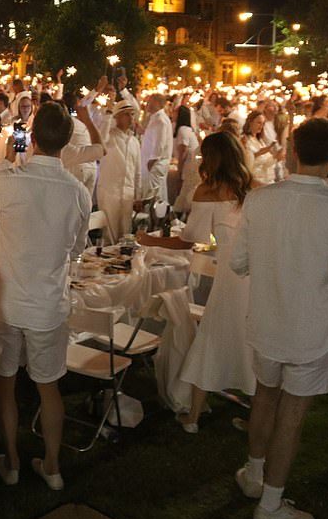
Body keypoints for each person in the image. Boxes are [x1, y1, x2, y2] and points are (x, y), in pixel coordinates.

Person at [229, 118, 328, 519]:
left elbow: (239, 262)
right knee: (292, 413)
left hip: (266, 319)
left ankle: (255, 474)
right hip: (308, 327)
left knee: (265, 396)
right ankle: (269, 503)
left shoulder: (260, 201)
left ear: (293, 150)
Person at [0, 102, 90, 491]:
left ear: (34, 137)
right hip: (47, 302)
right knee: (49, 386)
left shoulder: (11, 178)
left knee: (5, 382)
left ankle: (11, 463)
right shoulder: (78, 191)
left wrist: (9, 158)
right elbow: (78, 249)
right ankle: (53, 467)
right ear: (68, 141)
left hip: (7, 300)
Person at [138, 132, 255, 432]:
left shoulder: (208, 191)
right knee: (252, 341)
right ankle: (256, 413)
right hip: (256, 275)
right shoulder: (254, 187)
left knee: (211, 342)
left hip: (231, 277)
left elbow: (189, 241)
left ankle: (192, 418)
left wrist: (148, 239)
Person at [96, 79, 141, 243]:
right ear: (118, 117)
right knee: (110, 236)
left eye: (132, 114)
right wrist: (108, 110)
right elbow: (101, 139)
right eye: (127, 115)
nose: (131, 118)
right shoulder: (110, 137)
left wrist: (138, 195)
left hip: (127, 195)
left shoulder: (134, 141)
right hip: (110, 193)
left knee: (126, 236)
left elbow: (137, 171)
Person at [140, 93, 173, 203]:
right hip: (152, 165)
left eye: (150, 101)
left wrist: (151, 163)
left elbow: (159, 145)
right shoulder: (155, 118)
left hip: (154, 165)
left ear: (157, 103)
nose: (147, 104)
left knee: (154, 197)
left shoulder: (160, 120)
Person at [173, 105, 201, 213]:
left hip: (188, 166)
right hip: (192, 164)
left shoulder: (182, 130)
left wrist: (179, 171)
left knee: (182, 192)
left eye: (175, 112)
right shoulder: (190, 130)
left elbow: (183, 151)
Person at [242, 111, 279, 186]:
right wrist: (259, 153)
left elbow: (266, 163)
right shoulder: (244, 140)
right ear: (250, 122)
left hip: (267, 179)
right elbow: (245, 163)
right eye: (259, 123)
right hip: (254, 182)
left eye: (263, 124)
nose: (261, 126)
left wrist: (276, 156)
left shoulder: (260, 141)